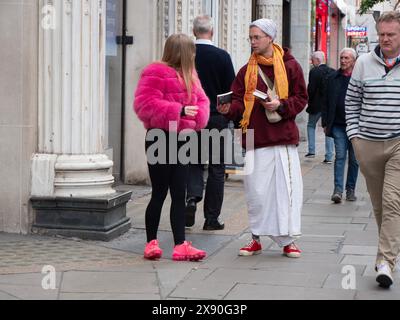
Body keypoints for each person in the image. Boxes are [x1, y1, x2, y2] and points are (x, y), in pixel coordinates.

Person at [217, 18, 308, 258]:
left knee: (285, 192)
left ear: (270, 38)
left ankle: (288, 241)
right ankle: (255, 238)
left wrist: (281, 105)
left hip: (282, 139)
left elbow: (301, 98)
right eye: (251, 37)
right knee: (256, 193)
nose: (253, 42)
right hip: (256, 138)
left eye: (257, 37)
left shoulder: (290, 66)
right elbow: (237, 102)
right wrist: (229, 110)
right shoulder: (246, 70)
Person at [134, 33, 210, 261]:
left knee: (180, 193)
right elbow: (143, 105)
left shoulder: (190, 75)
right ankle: (151, 243)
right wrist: (178, 110)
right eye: (192, 51)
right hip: (160, 137)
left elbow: (203, 101)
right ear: (184, 52)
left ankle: (180, 245)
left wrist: (198, 117)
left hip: (183, 138)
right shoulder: (155, 71)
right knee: (159, 192)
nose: (195, 55)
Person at [345, 11, 400, 288]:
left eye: (391, 34)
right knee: (380, 205)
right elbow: (352, 101)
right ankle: (389, 252)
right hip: (367, 143)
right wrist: (354, 138)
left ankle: (385, 262)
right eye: (383, 34)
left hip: (398, 144)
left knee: (393, 202)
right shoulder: (364, 63)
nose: (386, 39)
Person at [185, 15, 236, 230]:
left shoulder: (186, 57)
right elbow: (229, 91)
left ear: (194, 31)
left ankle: (191, 199)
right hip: (216, 118)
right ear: (212, 32)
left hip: (191, 116)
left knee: (193, 162)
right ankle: (211, 219)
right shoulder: (222, 56)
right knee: (217, 168)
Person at [321, 48, 359, 204]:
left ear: (354, 61)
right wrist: (324, 122)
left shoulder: (359, 78)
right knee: (340, 156)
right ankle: (337, 190)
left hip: (357, 126)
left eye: (347, 58)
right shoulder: (332, 77)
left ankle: (350, 189)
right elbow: (326, 101)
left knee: (355, 160)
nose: (343, 61)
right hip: (338, 125)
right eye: (342, 57)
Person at [305, 51, 335, 164]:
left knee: (311, 125)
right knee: (328, 129)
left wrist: (309, 100)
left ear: (317, 60)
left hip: (316, 105)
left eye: (312, 60)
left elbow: (311, 89)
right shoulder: (332, 71)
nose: (312, 62)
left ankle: (311, 151)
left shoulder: (314, 71)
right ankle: (329, 156)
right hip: (328, 106)